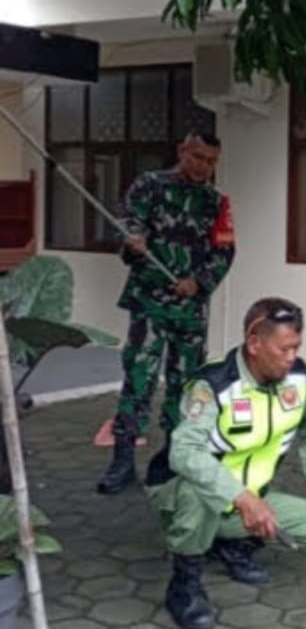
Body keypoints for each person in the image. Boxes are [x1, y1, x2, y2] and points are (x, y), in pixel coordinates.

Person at [146, 297, 306, 629]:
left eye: (296, 347)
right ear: (254, 343)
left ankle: (231, 542)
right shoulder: (213, 384)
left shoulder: (298, 378)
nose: (292, 358)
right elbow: (184, 452)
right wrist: (242, 498)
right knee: (198, 492)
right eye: (284, 349)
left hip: (246, 500)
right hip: (182, 495)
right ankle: (185, 587)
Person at [97, 132, 236, 495]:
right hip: (150, 304)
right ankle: (123, 461)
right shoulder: (150, 186)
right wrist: (133, 241)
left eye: (211, 160)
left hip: (190, 310)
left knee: (187, 386)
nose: (204, 166)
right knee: (138, 379)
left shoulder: (216, 202)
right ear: (182, 151)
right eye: (198, 157)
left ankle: (172, 461)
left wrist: (199, 282)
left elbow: (224, 251)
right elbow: (129, 222)